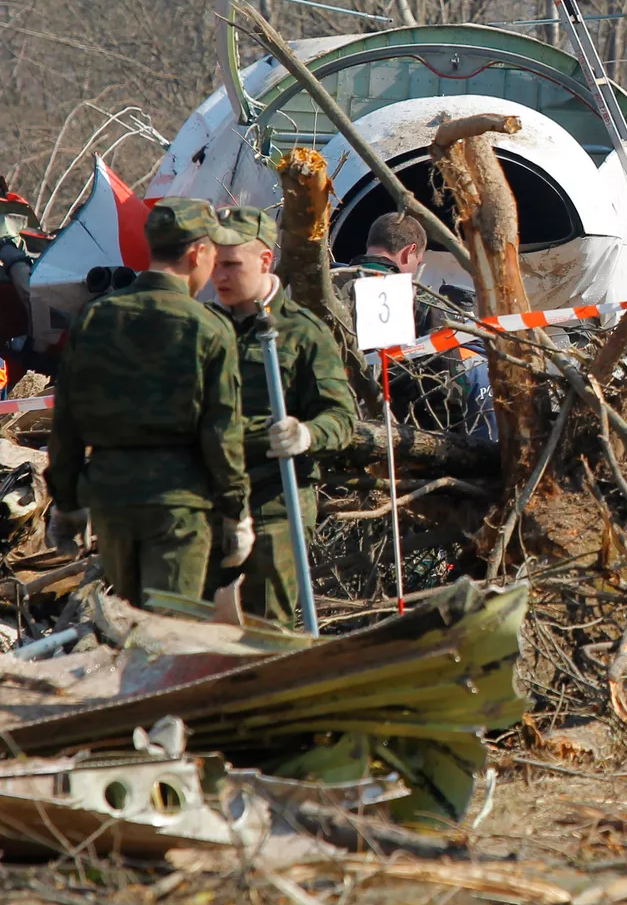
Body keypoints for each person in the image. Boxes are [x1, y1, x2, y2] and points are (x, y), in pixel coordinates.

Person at [45, 199, 252, 607]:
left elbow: (66, 423)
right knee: (167, 633)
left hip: (111, 499)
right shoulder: (208, 327)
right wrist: (236, 508)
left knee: (132, 620)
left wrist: (67, 503)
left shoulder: (95, 318)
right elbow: (221, 430)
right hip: (178, 503)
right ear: (198, 253)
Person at [208, 206, 358, 624]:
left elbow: (341, 417)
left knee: (265, 623)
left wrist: (306, 434)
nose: (220, 277)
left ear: (264, 261)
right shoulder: (203, 329)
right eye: (214, 265)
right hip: (212, 496)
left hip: (275, 497)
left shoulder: (301, 332)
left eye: (232, 266)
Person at [333, 212, 475, 431]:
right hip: (396, 440)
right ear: (409, 252)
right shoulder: (419, 301)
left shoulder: (326, 288)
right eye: (418, 263)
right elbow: (446, 386)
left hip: (322, 428)